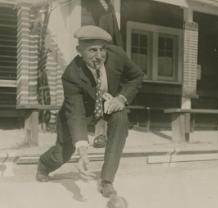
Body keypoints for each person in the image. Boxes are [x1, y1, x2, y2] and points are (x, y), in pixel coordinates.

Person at [36, 25, 144, 198]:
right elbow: (76, 113)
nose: (99, 55)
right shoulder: (71, 74)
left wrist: (121, 98)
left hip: (109, 105)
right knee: (62, 153)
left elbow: (136, 76)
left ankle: (107, 180)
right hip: (81, 113)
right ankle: (44, 164)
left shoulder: (118, 55)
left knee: (121, 118)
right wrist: (83, 151)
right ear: (79, 50)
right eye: (92, 50)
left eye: (102, 49)